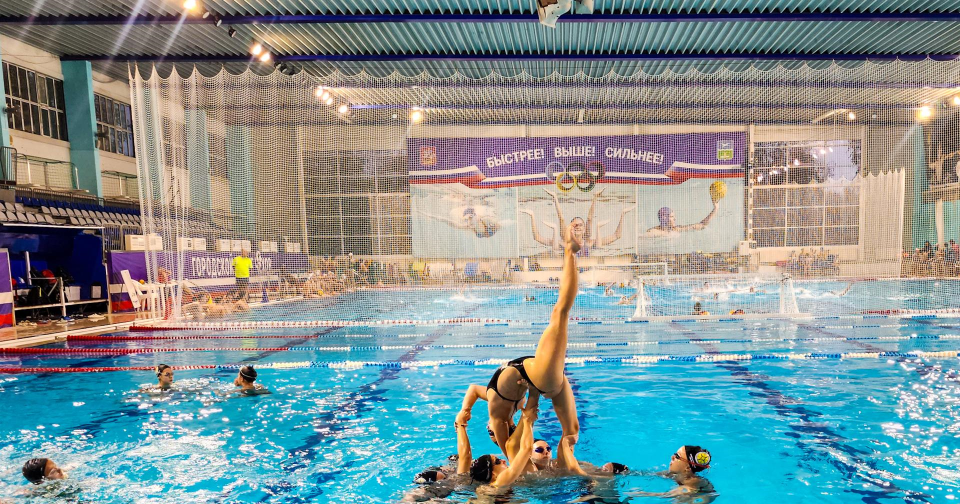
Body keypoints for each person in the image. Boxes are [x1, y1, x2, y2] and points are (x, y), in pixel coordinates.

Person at [457, 223, 585, 474]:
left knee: (560, 315)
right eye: (493, 434)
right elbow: (517, 457)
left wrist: (463, 414)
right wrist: (466, 413)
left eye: (492, 432)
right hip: (533, 376)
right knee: (571, 434)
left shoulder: (498, 413)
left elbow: (473, 389)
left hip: (531, 374)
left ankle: (570, 252)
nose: (493, 433)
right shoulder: (504, 419)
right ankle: (577, 472)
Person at [523, 188, 635, 255]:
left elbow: (616, 235)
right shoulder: (563, 243)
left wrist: (623, 214)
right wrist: (532, 215)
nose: (577, 226)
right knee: (561, 225)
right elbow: (537, 237)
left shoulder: (590, 242)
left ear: (584, 229)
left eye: (580, 225)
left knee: (590, 223)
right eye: (575, 225)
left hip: (587, 270)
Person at [456, 402, 536, 491]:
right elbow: (526, 449)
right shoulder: (500, 482)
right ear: (493, 474)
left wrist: (460, 425)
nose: (503, 460)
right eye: (498, 462)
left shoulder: (482, 487)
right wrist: (527, 421)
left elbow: (465, 457)